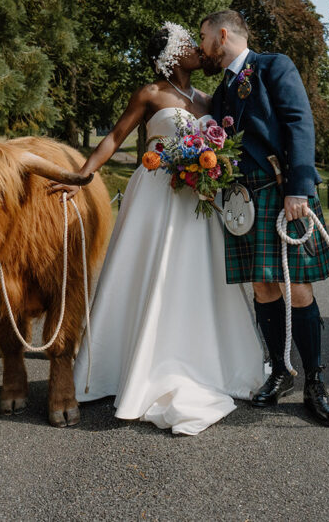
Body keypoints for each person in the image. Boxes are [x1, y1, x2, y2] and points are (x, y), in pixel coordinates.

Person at [53, 22, 264, 436]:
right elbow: (114, 137)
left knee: (195, 280)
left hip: (198, 200)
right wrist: (81, 176)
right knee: (149, 276)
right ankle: (130, 365)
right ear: (169, 55)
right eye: (188, 44)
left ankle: (199, 360)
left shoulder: (206, 98)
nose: (197, 50)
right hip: (156, 195)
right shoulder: (149, 94)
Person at [199, 9, 329, 427]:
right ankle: (280, 372)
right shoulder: (223, 88)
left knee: (297, 286)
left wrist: (299, 187)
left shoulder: (273, 65)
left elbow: (299, 121)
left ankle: (315, 381)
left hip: (283, 193)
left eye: (204, 36)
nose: (202, 45)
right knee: (263, 286)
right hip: (243, 200)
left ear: (223, 35)